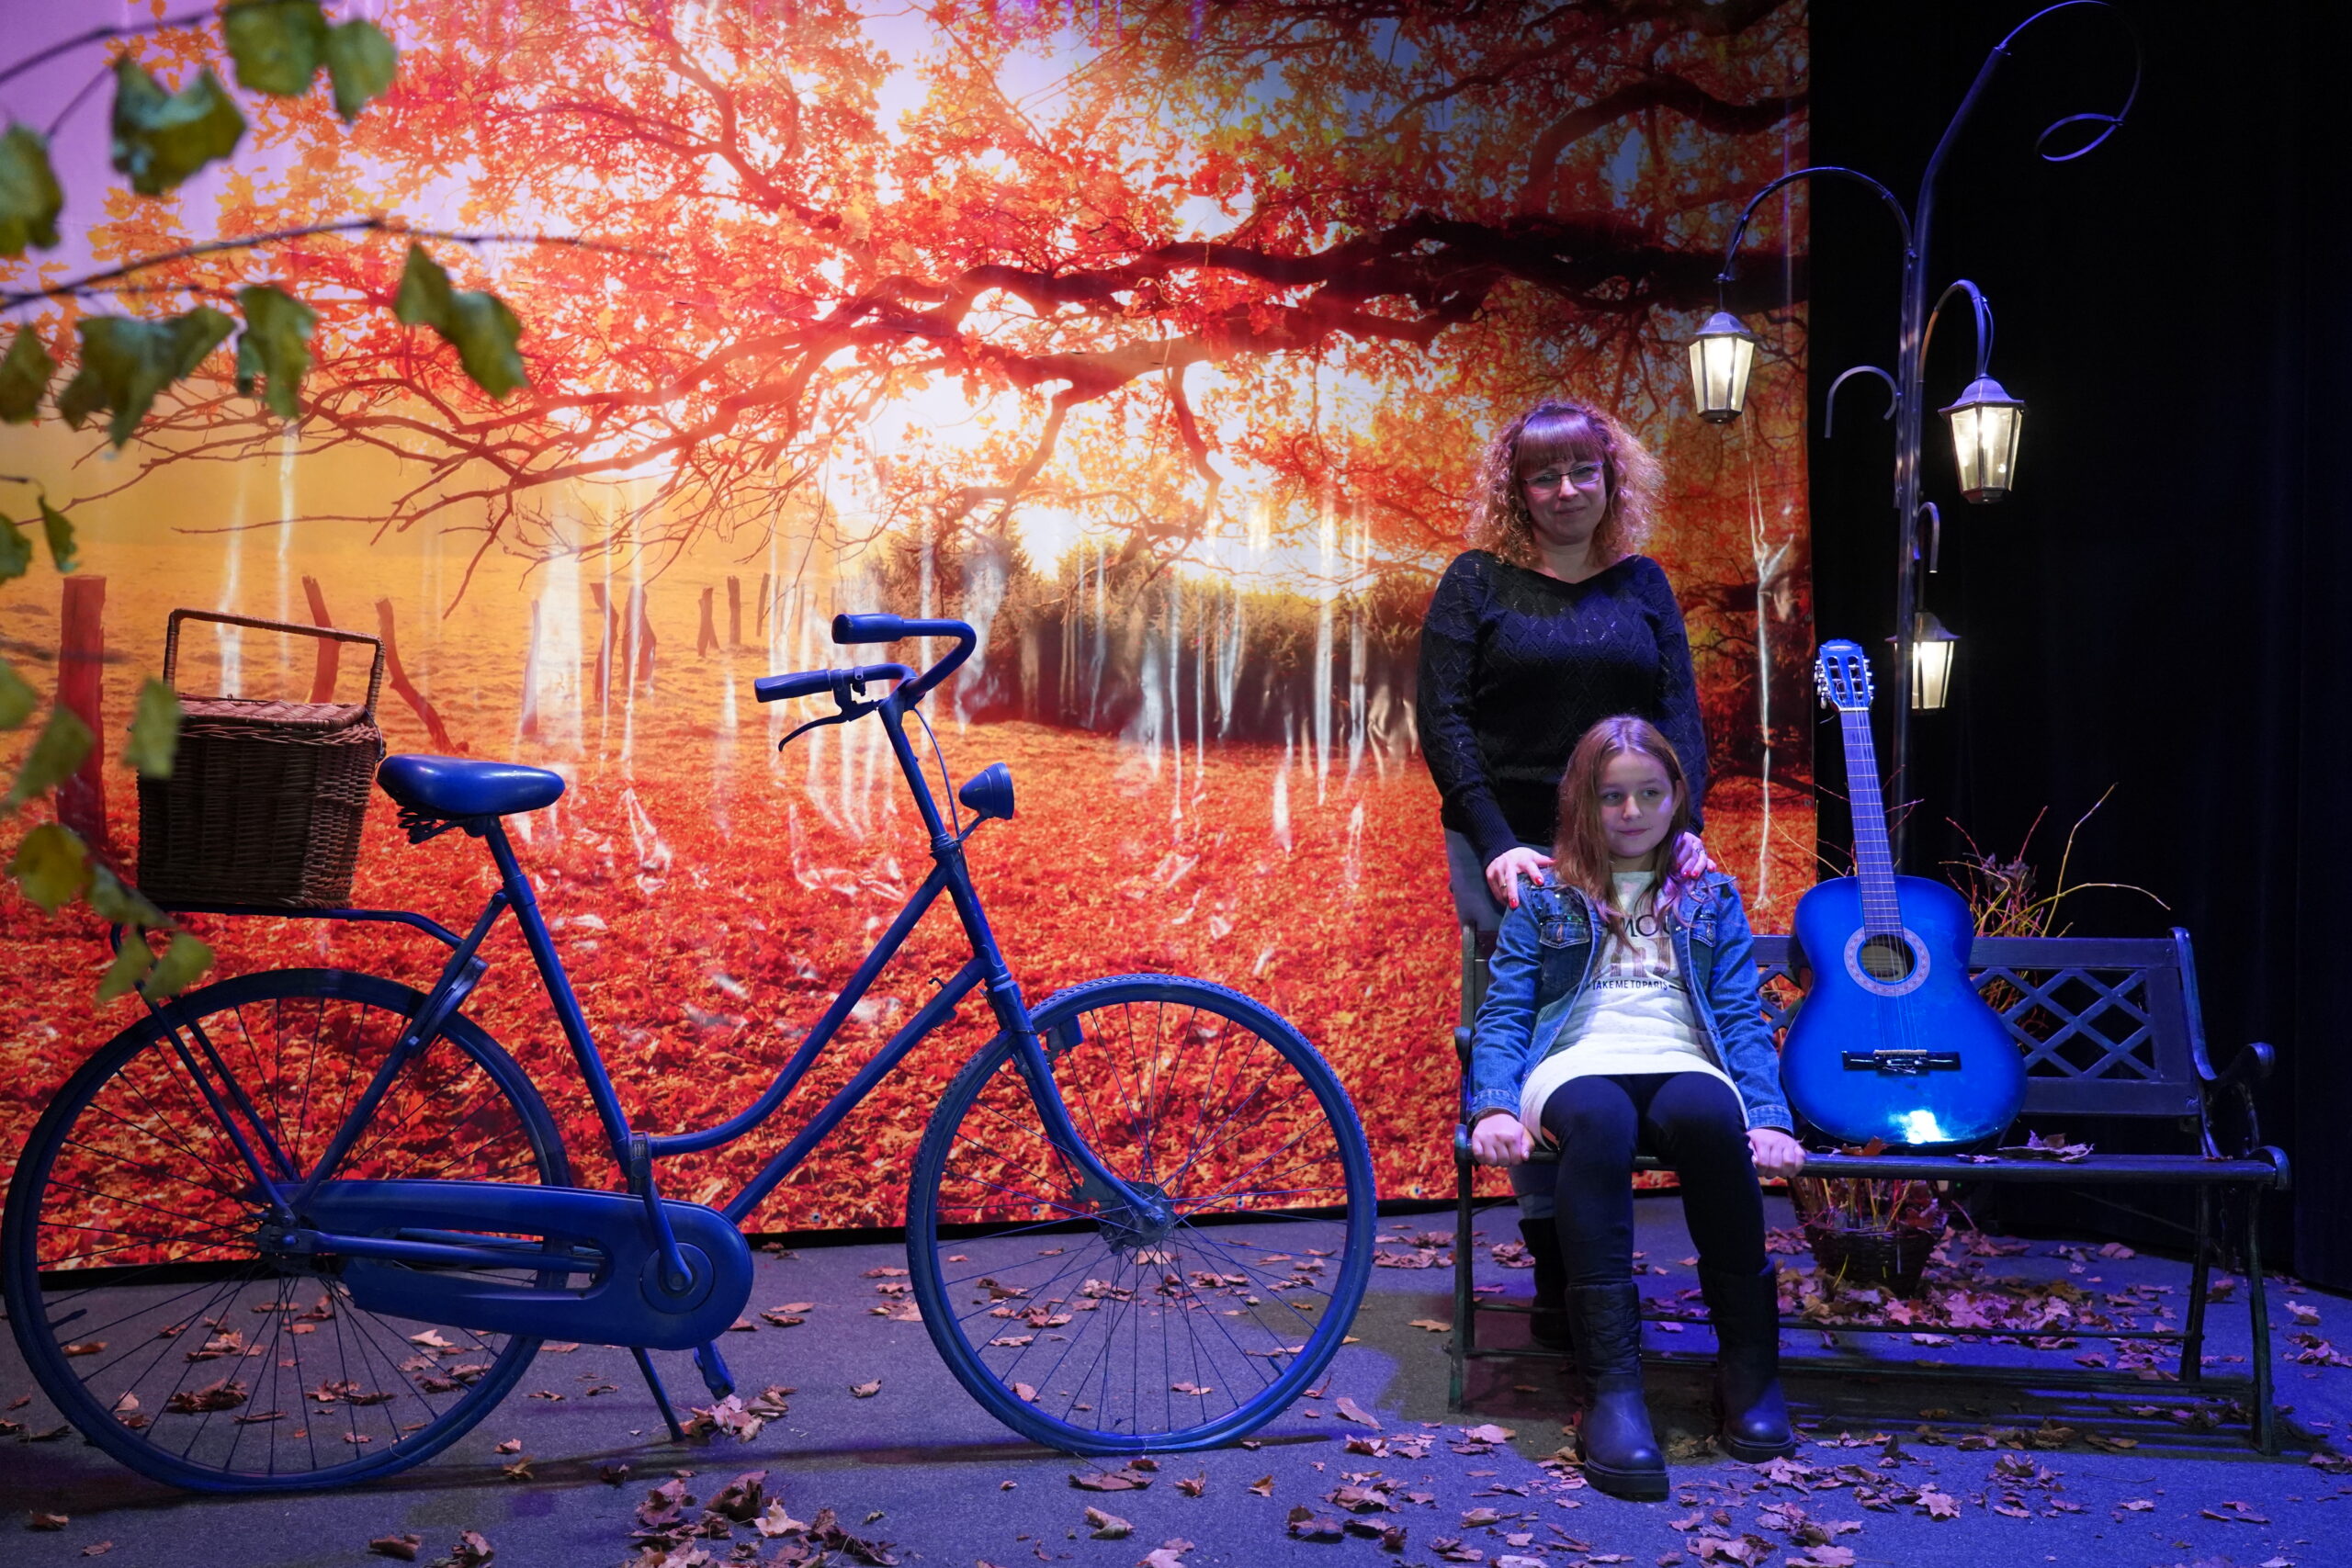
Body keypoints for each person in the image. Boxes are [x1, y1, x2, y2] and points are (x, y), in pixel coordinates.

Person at [1417, 399, 1713, 1348]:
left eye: (1582, 470)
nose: (1565, 490)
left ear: (1611, 477)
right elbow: (1444, 720)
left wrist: (1682, 829)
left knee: (1624, 1022)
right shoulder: (1478, 582)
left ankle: (1602, 1255)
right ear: (1517, 491)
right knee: (1532, 1035)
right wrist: (1495, 839)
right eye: (1543, 476)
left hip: (1629, 836)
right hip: (1510, 844)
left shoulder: (1642, 583)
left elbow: (1679, 715)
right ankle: (1558, 1263)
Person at [1465, 716, 1803, 1500]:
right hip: (1574, 1062)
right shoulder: (1546, 895)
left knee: (1711, 1119)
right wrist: (1494, 1106)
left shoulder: (1709, 892)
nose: (1631, 811)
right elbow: (1507, 1012)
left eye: (1650, 793)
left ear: (1676, 794)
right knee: (1602, 1120)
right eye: (1612, 795)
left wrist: (1768, 1114)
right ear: (1582, 800)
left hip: (1680, 1057)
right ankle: (1612, 1387)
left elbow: (1738, 1014)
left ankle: (1749, 1370)